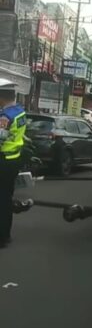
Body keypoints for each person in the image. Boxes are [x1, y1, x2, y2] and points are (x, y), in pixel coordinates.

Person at [0, 79, 26, 248]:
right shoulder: (20, 112)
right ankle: (5, 234)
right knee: (6, 198)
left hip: (3, 161)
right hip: (14, 158)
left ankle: (2, 237)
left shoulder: (5, 117)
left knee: (2, 200)